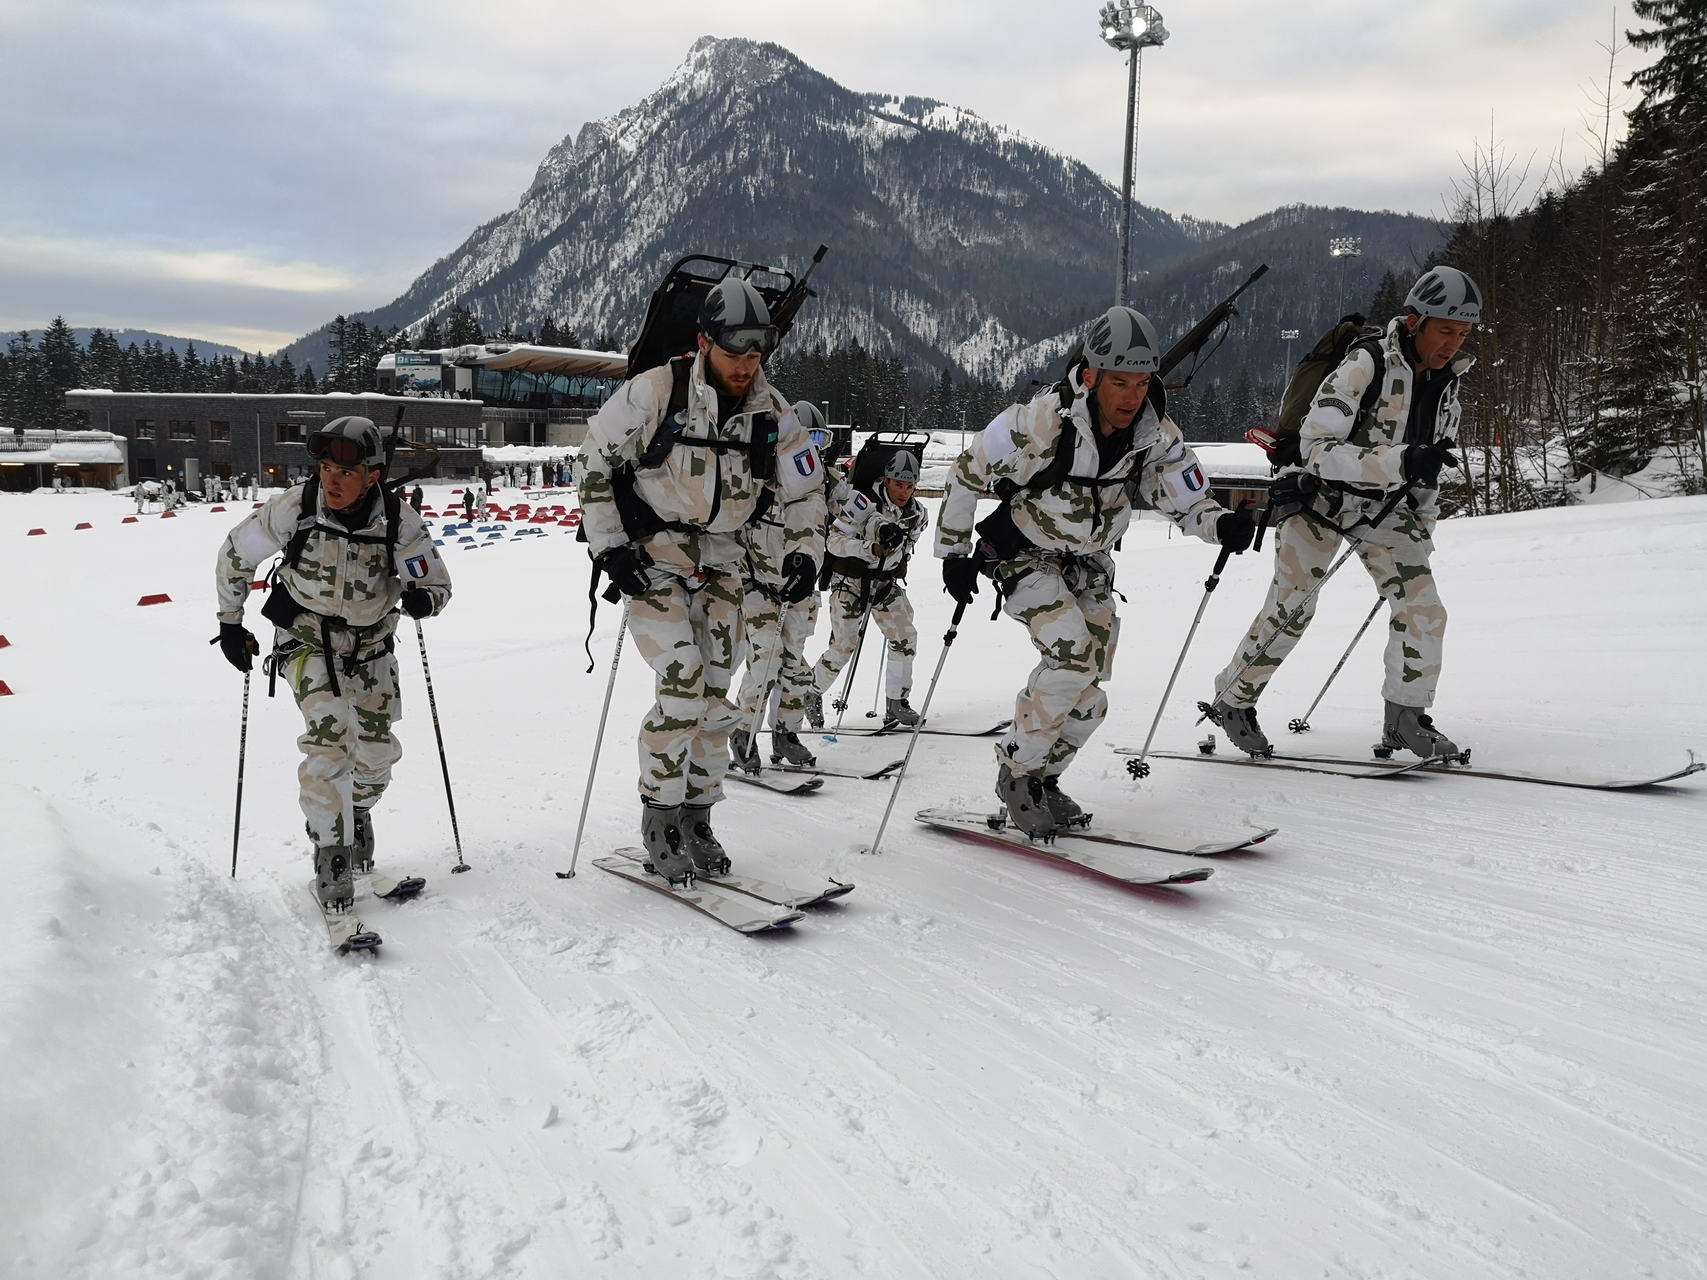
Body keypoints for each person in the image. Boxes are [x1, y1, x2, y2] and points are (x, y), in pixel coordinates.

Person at [936, 305, 1255, 839]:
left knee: (1091, 695)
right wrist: (953, 551)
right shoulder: (1041, 419)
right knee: (1072, 654)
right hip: (1026, 555)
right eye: (1120, 382)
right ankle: (1016, 773)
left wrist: (1220, 525)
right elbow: (968, 470)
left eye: (1143, 382)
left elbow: (1184, 494)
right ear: (1091, 376)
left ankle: (1044, 779)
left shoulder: (1155, 433)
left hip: (1090, 563)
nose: (1132, 396)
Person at [579, 279, 824, 884]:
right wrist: (611, 547)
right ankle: (660, 812)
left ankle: (697, 811)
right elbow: (595, 461)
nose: (746, 366)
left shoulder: (775, 414)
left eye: (756, 353)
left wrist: (804, 553)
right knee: (684, 685)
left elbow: (806, 489)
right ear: (704, 342)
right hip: (654, 560)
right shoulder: (653, 393)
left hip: (725, 565)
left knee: (718, 699)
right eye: (735, 352)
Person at [1203, 266, 1478, 761]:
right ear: (1416, 322)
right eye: (1446, 331)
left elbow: (1428, 471)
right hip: (1315, 498)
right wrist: (1398, 461)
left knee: (1423, 607)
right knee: (1293, 609)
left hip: (1386, 508)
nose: (1453, 344)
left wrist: (1423, 524)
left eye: (1463, 333)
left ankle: (1405, 718)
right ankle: (1233, 701)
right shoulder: (1365, 364)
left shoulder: (1447, 386)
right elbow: (1315, 448)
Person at [212, 416, 452, 914]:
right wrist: (231, 623)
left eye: (345, 471)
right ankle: (332, 857)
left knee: (378, 757)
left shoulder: (400, 522)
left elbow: (437, 583)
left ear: (373, 475)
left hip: (372, 648)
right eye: (325, 468)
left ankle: (354, 812)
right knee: (330, 742)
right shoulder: (294, 509)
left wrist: (425, 601)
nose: (332, 481)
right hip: (305, 640)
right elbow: (236, 554)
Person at [730, 401, 842, 771]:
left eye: (820, 442)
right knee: (765, 661)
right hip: (758, 586)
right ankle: (744, 733)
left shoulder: (826, 483)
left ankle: (785, 733)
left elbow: (859, 510)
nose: (812, 452)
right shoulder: (760, 480)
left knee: (795, 668)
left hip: (800, 590)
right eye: (807, 440)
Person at [804, 442, 929, 730]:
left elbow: (908, 546)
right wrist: (869, 548)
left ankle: (896, 701)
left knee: (905, 637)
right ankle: (810, 692)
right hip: (849, 583)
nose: (905, 492)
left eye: (911, 486)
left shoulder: (918, 514)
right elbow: (833, 541)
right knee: (844, 645)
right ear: (886, 480)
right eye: (899, 484)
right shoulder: (862, 503)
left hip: (885, 584)